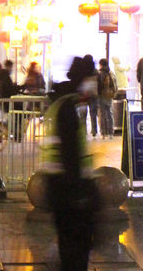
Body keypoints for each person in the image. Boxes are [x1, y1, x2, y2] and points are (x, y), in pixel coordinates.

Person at [44, 55, 99, 271]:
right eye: (92, 79)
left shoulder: (63, 103)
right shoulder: (67, 108)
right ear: (83, 80)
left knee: (69, 251)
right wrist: (84, 195)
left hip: (61, 189)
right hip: (70, 193)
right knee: (75, 254)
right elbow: (70, 155)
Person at [97, 57, 117, 137]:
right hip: (109, 95)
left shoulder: (100, 73)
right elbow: (115, 84)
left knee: (102, 114)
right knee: (109, 113)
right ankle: (111, 132)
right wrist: (114, 93)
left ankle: (103, 132)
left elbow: (98, 85)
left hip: (101, 95)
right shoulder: (111, 73)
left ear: (101, 64)